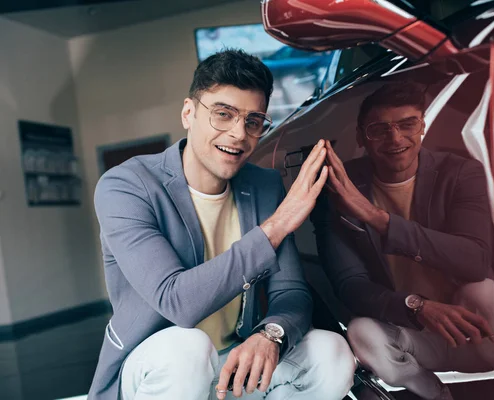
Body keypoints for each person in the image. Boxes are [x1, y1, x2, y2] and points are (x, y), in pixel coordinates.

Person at [88, 49, 356, 400]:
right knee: (188, 349)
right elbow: (176, 301)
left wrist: (269, 335)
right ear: (188, 112)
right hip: (159, 366)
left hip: (231, 362)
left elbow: (290, 291)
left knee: (331, 353)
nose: (238, 134)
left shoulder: (263, 185)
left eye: (253, 121)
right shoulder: (125, 186)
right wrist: (275, 227)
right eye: (223, 114)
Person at [313, 82, 494, 400]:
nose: (395, 139)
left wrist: (375, 217)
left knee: (486, 290)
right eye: (380, 129)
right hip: (411, 334)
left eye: (406, 124)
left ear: (422, 126)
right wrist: (416, 307)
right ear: (362, 136)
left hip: (476, 328)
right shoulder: (340, 188)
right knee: (361, 331)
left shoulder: (460, 173)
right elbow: (350, 286)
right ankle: (434, 393)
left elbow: (474, 260)